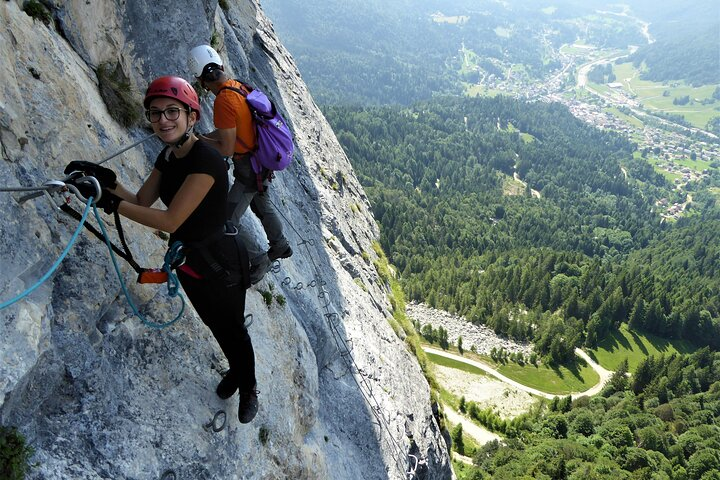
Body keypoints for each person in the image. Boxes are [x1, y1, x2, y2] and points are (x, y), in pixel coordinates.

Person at [64, 76, 259, 423]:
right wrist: (107, 182)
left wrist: (108, 202)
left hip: (222, 264)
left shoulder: (208, 160)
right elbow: (141, 200)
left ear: (191, 117)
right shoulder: (168, 155)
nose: (163, 120)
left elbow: (169, 220)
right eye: (156, 114)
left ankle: (248, 385)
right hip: (191, 262)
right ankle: (236, 368)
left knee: (233, 328)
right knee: (215, 324)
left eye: (172, 112)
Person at [188, 45, 292, 283]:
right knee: (261, 203)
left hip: (249, 169)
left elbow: (226, 146)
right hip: (260, 161)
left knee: (225, 220)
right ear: (222, 67)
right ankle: (280, 245)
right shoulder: (239, 86)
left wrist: (197, 142)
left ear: (202, 82)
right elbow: (231, 132)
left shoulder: (223, 102)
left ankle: (257, 260)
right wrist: (202, 138)